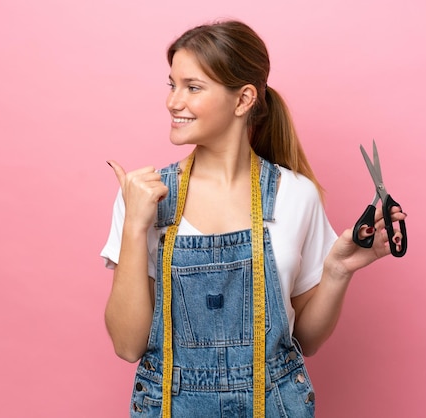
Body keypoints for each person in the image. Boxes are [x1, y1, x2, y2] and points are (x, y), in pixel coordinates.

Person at [100, 20, 406, 418]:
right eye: (172, 85)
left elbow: (306, 341)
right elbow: (127, 345)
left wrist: (337, 270)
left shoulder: (296, 196)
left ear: (243, 99)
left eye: (192, 87)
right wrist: (135, 226)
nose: (173, 102)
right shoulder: (144, 196)